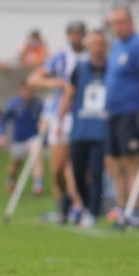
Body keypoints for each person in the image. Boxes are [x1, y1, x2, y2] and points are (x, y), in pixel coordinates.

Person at [104, 6, 139, 226]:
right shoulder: (117, 46)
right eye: (114, 23)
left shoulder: (138, 47)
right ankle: (122, 208)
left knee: (132, 162)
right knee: (114, 162)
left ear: (131, 22)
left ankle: (135, 211)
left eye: (122, 22)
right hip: (115, 112)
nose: (118, 27)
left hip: (132, 111)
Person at [27, 21, 87, 225]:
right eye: (73, 33)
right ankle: (63, 200)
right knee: (57, 168)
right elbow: (33, 79)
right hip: (60, 116)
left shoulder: (89, 58)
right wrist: (57, 83)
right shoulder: (60, 58)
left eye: (79, 33)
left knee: (78, 166)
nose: (76, 37)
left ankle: (79, 206)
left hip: (82, 115)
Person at [58, 30, 110, 224]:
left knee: (96, 173)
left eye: (100, 44)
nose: (97, 48)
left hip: (101, 130)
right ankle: (87, 205)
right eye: (93, 44)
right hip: (80, 129)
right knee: (77, 172)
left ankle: (94, 212)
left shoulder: (111, 68)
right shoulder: (79, 69)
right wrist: (60, 119)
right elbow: (69, 94)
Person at [0, 82, 44, 195]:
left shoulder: (37, 104)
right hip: (18, 139)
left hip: (33, 137)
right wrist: (1, 134)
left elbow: (44, 119)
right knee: (15, 163)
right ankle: (11, 179)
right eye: (25, 90)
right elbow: (3, 120)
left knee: (37, 156)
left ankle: (37, 185)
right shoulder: (13, 104)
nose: (27, 93)